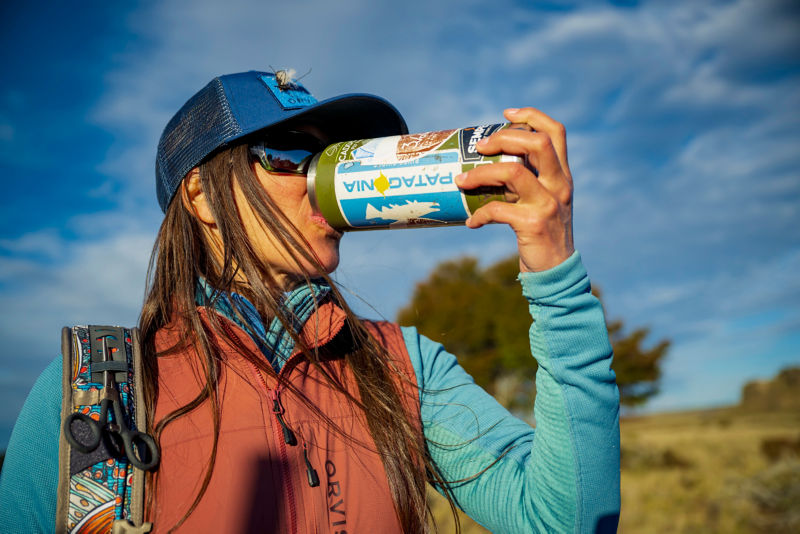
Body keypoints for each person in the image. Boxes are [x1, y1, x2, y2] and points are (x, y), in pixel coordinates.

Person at [0, 70, 620, 533]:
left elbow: (563, 519)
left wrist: (555, 271)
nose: (321, 185)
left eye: (332, 160)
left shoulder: (401, 368)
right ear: (202, 196)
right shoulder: (98, 386)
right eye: (292, 154)